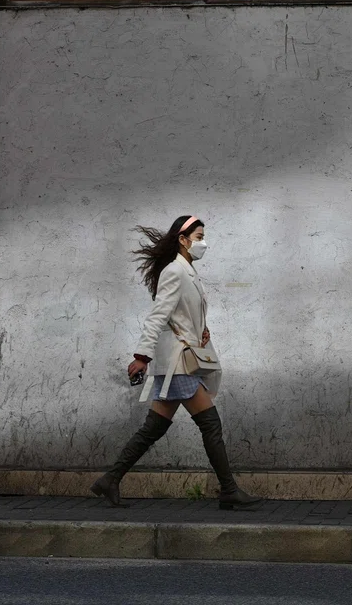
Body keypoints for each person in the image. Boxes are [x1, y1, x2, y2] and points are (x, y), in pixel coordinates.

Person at [90, 215, 263, 510]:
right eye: (198, 237)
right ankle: (229, 490)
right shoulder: (175, 272)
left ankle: (110, 479)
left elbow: (180, 315)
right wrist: (141, 357)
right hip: (177, 363)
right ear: (182, 240)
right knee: (210, 424)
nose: (203, 243)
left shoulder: (187, 271)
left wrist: (201, 329)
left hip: (182, 360)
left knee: (154, 428)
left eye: (202, 236)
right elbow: (158, 315)